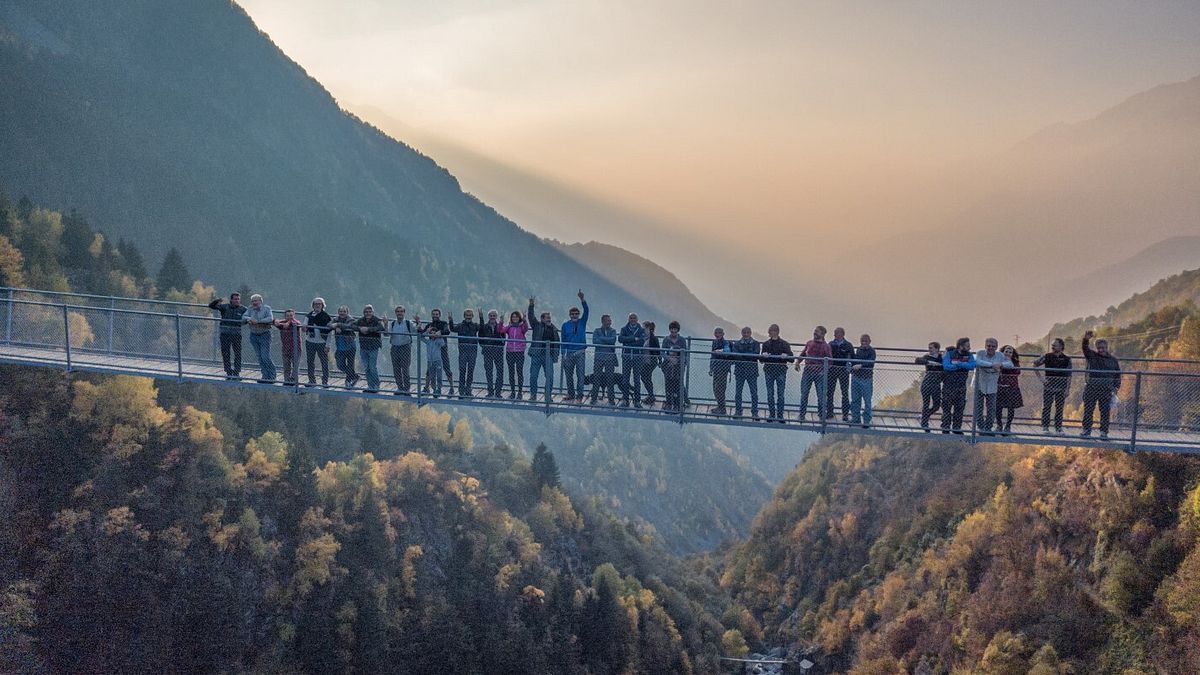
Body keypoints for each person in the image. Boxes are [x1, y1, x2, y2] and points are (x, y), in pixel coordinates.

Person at [1080, 330, 1121, 439]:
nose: (1101, 350)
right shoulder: (1092, 356)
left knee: (1105, 411)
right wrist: (1086, 339)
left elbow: (1117, 374)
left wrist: (1116, 387)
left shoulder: (1113, 360)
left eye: (1103, 347)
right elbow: (1085, 349)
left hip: (1106, 389)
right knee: (1088, 409)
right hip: (1091, 388)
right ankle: (1086, 430)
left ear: (1107, 347)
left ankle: (1103, 432)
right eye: (1099, 348)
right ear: (1096, 348)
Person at [1033, 338, 1072, 434]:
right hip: (1049, 385)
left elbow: (1069, 375)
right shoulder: (1047, 356)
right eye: (1052, 345)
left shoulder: (1067, 359)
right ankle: (1045, 427)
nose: (1053, 347)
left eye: (1055, 345)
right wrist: (1041, 379)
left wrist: (1067, 389)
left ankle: (1058, 428)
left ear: (1061, 346)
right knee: (1046, 407)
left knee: (1059, 407)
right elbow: (1035, 364)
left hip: (1061, 386)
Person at [974, 338, 1012, 434]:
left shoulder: (1000, 355)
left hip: (992, 385)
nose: (990, 348)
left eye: (993, 346)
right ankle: (981, 427)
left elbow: (1010, 364)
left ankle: (988, 428)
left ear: (996, 347)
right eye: (988, 346)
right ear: (985, 346)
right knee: (978, 407)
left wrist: (1001, 364)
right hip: (980, 383)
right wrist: (992, 365)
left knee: (991, 408)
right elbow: (977, 361)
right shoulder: (980, 353)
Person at [527, 298, 560, 403]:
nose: (549, 319)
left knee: (550, 376)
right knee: (533, 376)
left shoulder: (554, 329)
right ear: (542, 319)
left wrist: (555, 356)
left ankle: (548, 396)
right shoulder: (537, 325)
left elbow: (557, 343)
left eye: (549, 318)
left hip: (548, 356)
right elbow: (531, 317)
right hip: (536, 354)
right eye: (547, 318)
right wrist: (531, 306)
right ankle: (533, 395)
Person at [208, 292, 247, 378]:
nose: (237, 301)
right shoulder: (225, 307)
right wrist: (217, 301)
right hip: (225, 334)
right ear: (231, 300)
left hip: (236, 334)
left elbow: (248, 318)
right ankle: (228, 371)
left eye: (238, 299)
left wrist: (244, 322)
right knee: (225, 353)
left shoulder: (243, 309)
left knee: (237, 353)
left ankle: (236, 372)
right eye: (235, 299)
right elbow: (211, 306)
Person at [795, 326, 830, 420]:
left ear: (822, 334)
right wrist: (798, 362)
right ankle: (802, 415)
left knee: (821, 395)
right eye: (815, 331)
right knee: (804, 394)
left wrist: (823, 370)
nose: (815, 333)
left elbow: (830, 361)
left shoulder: (826, 346)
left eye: (817, 332)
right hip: (807, 371)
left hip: (819, 374)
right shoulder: (809, 343)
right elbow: (803, 354)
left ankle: (821, 415)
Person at [761, 324, 794, 422]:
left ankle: (780, 415)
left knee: (780, 394)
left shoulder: (784, 344)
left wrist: (787, 356)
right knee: (770, 394)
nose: (772, 333)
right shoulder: (766, 344)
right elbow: (761, 360)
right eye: (771, 331)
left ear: (777, 332)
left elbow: (792, 359)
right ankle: (772, 414)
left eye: (774, 331)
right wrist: (763, 356)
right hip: (769, 371)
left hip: (780, 371)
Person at [941, 338, 975, 434]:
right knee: (946, 408)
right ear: (961, 346)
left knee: (959, 408)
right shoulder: (950, 353)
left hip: (961, 386)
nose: (970, 348)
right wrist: (962, 365)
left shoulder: (969, 355)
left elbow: (972, 365)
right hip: (948, 385)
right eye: (967, 346)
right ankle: (945, 427)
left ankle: (956, 428)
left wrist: (959, 364)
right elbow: (946, 366)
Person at [560, 290, 589, 401]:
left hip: (580, 352)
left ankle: (580, 395)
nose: (574, 315)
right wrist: (563, 353)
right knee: (568, 374)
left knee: (580, 375)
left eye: (576, 314)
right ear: (570, 315)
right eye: (572, 314)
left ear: (579, 314)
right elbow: (563, 339)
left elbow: (586, 310)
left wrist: (582, 300)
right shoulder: (565, 325)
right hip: (570, 353)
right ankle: (571, 394)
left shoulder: (582, 322)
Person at [243, 293, 277, 383]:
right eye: (253, 301)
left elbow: (270, 318)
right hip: (254, 335)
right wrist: (250, 319)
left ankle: (272, 376)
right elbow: (244, 317)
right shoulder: (250, 309)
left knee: (265, 356)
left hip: (265, 334)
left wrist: (258, 322)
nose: (254, 303)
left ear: (261, 301)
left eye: (256, 301)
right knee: (259, 357)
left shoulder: (267, 308)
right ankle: (265, 376)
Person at [450, 309, 481, 398]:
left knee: (470, 371)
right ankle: (461, 390)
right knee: (462, 370)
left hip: (472, 351)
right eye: (467, 315)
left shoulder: (475, 326)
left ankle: (468, 389)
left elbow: (482, 327)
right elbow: (452, 329)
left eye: (470, 315)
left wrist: (481, 317)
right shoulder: (460, 326)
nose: (468, 317)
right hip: (463, 351)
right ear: (464, 316)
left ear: (472, 316)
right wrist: (451, 320)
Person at [619, 313, 649, 407]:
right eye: (631, 318)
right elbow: (620, 339)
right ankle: (625, 400)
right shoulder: (624, 329)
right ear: (628, 319)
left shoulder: (641, 330)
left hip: (637, 357)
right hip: (626, 357)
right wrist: (633, 338)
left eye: (634, 318)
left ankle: (637, 401)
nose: (632, 319)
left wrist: (628, 341)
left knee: (636, 379)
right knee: (625, 379)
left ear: (637, 319)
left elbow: (641, 342)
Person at [731, 326, 761, 420]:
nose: (746, 334)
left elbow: (755, 355)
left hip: (750, 371)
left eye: (748, 332)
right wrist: (748, 355)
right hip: (741, 371)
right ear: (742, 333)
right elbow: (736, 356)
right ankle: (738, 411)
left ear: (751, 333)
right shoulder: (737, 344)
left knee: (754, 392)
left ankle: (755, 412)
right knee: (738, 392)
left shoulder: (756, 344)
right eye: (744, 332)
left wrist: (742, 355)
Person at [500, 307, 530, 399]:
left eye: (516, 317)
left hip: (519, 352)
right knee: (511, 372)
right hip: (510, 351)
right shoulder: (509, 327)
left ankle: (520, 392)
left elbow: (526, 328)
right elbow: (501, 330)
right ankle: (513, 392)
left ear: (519, 318)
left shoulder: (521, 326)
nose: (515, 319)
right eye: (513, 317)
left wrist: (525, 320)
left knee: (519, 372)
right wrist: (501, 321)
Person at [589, 314, 619, 405]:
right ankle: (593, 398)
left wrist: (601, 339)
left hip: (609, 358)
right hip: (599, 358)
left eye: (610, 320)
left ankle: (611, 399)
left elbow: (613, 340)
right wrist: (607, 340)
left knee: (610, 379)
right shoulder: (596, 331)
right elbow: (595, 341)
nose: (610, 322)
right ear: (603, 321)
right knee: (596, 378)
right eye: (608, 320)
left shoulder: (613, 331)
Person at [826, 327, 854, 421]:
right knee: (830, 392)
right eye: (834, 333)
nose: (834, 335)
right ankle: (830, 412)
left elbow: (853, 358)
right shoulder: (830, 344)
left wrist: (850, 369)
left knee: (845, 393)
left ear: (842, 334)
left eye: (836, 333)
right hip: (832, 370)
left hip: (843, 371)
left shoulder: (848, 345)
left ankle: (845, 414)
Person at [355, 304, 385, 392]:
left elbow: (381, 328)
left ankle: (376, 385)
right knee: (366, 367)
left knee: (372, 367)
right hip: (363, 347)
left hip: (373, 347)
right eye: (366, 312)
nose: (368, 313)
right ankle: (370, 386)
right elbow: (352, 326)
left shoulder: (376, 320)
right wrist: (360, 328)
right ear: (363, 313)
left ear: (372, 312)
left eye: (369, 312)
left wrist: (368, 329)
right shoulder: (361, 321)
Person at [849, 334, 877, 428]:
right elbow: (855, 360)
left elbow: (871, 362)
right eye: (862, 341)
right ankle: (856, 419)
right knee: (855, 399)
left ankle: (866, 421)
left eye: (866, 341)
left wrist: (861, 365)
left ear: (869, 341)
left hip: (866, 379)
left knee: (867, 401)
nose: (864, 343)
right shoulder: (859, 350)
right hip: (856, 377)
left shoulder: (872, 351)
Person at [424, 309, 455, 393]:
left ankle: (451, 387)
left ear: (439, 315)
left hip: (442, 349)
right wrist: (418, 323)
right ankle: (426, 387)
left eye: (436, 314)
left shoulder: (443, 323)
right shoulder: (429, 325)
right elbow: (422, 332)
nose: (435, 316)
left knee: (446, 368)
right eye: (433, 314)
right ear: (431, 315)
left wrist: (440, 332)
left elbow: (447, 331)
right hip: (433, 350)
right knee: (429, 370)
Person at [303, 297, 331, 387]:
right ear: (313, 305)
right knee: (310, 361)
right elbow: (304, 325)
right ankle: (312, 381)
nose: (317, 305)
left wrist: (328, 345)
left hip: (322, 342)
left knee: (324, 362)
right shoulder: (309, 316)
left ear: (322, 305)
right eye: (316, 304)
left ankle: (325, 381)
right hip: (310, 341)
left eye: (319, 304)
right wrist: (304, 327)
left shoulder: (326, 317)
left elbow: (330, 332)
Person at [915, 342, 944, 430]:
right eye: (929, 348)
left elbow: (946, 364)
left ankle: (924, 416)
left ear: (937, 349)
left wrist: (939, 364)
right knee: (926, 403)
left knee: (936, 405)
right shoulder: (927, 357)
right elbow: (917, 360)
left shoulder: (941, 357)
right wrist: (929, 362)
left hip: (936, 384)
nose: (929, 349)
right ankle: (924, 424)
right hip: (927, 382)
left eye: (931, 348)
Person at [389, 305, 417, 394]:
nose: (399, 313)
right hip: (394, 347)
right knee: (396, 369)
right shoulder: (392, 323)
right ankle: (400, 387)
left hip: (405, 347)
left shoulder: (409, 323)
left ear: (404, 313)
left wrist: (418, 322)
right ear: (395, 313)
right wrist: (385, 324)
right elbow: (387, 334)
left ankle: (407, 388)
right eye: (398, 312)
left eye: (401, 311)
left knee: (405, 369)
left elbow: (416, 331)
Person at [660, 321, 687, 411]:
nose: (673, 331)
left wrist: (679, 361)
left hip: (679, 366)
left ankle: (677, 404)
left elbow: (685, 353)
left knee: (678, 385)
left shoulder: (682, 340)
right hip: (668, 366)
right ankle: (669, 403)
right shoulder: (666, 340)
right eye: (672, 329)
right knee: (668, 384)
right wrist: (670, 359)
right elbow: (662, 352)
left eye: (675, 329)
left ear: (677, 330)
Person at [331, 305, 360, 387]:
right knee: (340, 365)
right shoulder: (335, 319)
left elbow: (349, 326)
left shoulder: (350, 319)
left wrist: (337, 325)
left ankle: (348, 382)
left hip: (350, 346)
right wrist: (335, 325)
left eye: (344, 311)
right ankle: (354, 376)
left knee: (350, 364)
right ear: (338, 312)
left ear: (347, 312)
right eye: (340, 311)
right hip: (340, 347)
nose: (342, 313)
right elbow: (329, 325)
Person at [997, 345, 1023, 434]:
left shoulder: (1015, 362)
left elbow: (1017, 371)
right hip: (1000, 387)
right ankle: (999, 425)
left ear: (1012, 354)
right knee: (998, 407)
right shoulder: (999, 360)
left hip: (1012, 387)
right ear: (1003, 352)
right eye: (1006, 351)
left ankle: (1008, 426)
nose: (1008, 353)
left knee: (1011, 408)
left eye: (1010, 352)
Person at [479, 309, 505, 397]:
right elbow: (480, 338)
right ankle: (490, 391)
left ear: (496, 317)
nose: (492, 317)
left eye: (494, 316)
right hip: (487, 352)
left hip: (498, 352)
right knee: (489, 372)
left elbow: (503, 340)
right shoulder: (484, 327)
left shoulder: (500, 326)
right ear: (488, 317)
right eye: (491, 316)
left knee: (500, 372)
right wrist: (485, 346)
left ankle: (498, 392)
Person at [274, 308, 302, 384]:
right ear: (285, 316)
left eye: (291, 315)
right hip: (285, 348)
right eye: (287, 316)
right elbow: (275, 322)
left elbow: (295, 323)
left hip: (296, 348)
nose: (289, 317)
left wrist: (289, 322)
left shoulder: (296, 322)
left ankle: (293, 380)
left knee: (295, 365)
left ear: (294, 315)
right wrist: (276, 321)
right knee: (286, 366)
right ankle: (286, 380)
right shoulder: (283, 323)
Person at [709, 327, 733, 415]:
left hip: (723, 369)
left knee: (720, 388)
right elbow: (712, 355)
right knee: (715, 388)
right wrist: (711, 368)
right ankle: (720, 406)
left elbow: (727, 350)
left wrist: (721, 351)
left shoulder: (726, 342)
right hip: (716, 368)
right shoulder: (714, 342)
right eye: (716, 333)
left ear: (723, 334)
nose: (718, 334)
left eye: (719, 333)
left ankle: (722, 409)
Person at [421, 316, 447, 397]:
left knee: (439, 375)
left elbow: (443, 344)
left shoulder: (438, 341)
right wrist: (426, 332)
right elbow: (421, 337)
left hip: (437, 361)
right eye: (431, 333)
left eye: (434, 332)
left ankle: (438, 389)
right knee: (432, 376)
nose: (433, 334)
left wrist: (439, 336)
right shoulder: (428, 342)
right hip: (430, 361)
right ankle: (434, 389)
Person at [641, 321, 660, 405]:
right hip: (645, 361)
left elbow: (657, 349)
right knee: (646, 377)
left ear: (648, 328)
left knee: (645, 377)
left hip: (651, 361)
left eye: (644, 328)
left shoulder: (653, 338)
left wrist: (660, 360)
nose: (643, 329)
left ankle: (651, 396)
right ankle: (651, 395)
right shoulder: (645, 338)